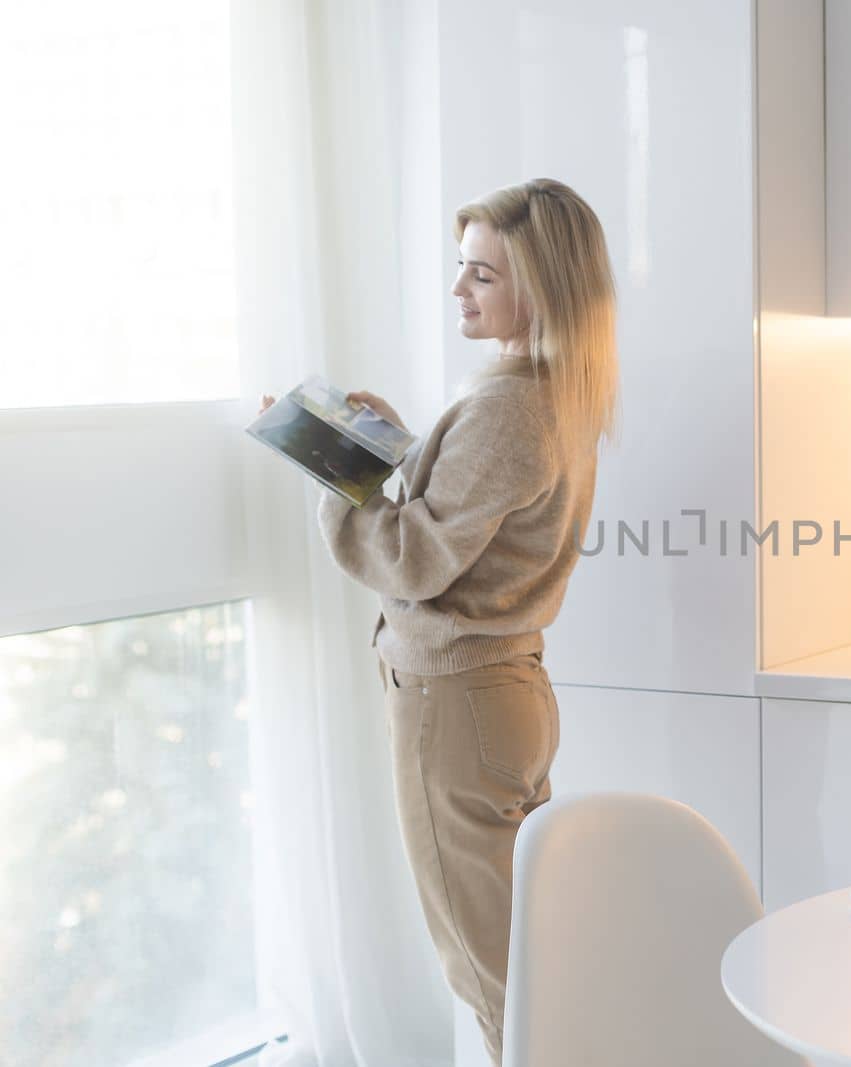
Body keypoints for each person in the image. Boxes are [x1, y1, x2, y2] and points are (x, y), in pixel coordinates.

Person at [260, 178, 617, 1065]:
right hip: (507, 693)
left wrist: (341, 480)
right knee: (525, 947)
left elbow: (417, 560)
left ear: (541, 286)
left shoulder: (507, 406)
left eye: (483, 276)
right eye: (463, 270)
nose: (460, 291)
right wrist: (409, 449)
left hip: (456, 704)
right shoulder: (554, 393)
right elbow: (479, 518)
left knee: (485, 967)